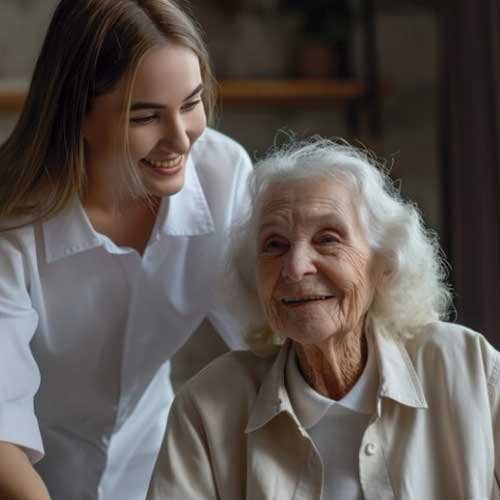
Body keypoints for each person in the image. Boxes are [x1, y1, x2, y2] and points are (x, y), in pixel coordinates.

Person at [148, 138, 500, 500]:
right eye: (275, 245)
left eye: (328, 239)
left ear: (384, 264)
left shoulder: (469, 369)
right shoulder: (208, 407)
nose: (296, 267)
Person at [0, 1, 255, 499]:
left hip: (154, 462)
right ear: (78, 115)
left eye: (191, 104)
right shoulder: (12, 223)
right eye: (146, 116)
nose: (181, 139)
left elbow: (270, 341)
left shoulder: (223, 176)